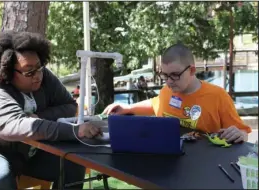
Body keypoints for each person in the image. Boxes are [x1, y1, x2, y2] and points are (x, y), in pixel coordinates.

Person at [0, 31, 102, 189]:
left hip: (26, 149)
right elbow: (22, 127)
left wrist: (39, 116)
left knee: (73, 163)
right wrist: (76, 131)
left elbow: (69, 105)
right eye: (29, 71)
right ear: (7, 72)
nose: (38, 75)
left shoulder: (43, 76)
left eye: (39, 66)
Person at [103, 43, 251, 143]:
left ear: (192, 70)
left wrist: (241, 134)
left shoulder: (218, 97)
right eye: (165, 75)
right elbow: (156, 103)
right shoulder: (166, 91)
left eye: (175, 74)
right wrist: (129, 108)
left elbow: (242, 133)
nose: (169, 81)